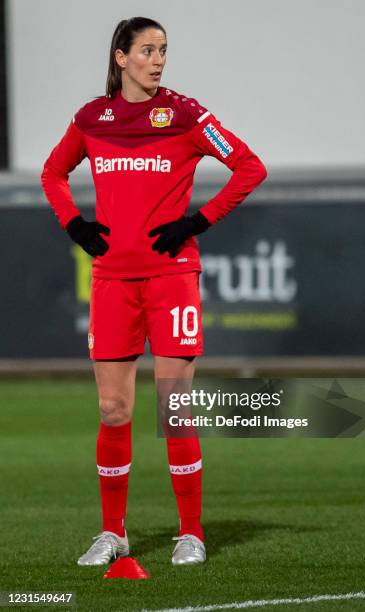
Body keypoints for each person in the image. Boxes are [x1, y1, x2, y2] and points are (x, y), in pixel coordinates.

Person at [41, 16, 267, 567]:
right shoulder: (93, 117)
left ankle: (191, 532)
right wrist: (74, 225)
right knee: (113, 408)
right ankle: (112, 532)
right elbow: (53, 172)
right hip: (113, 281)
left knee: (175, 408)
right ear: (121, 57)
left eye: (163, 50)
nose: (159, 59)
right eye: (147, 50)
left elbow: (248, 166)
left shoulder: (187, 113)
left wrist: (198, 222)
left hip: (172, 280)